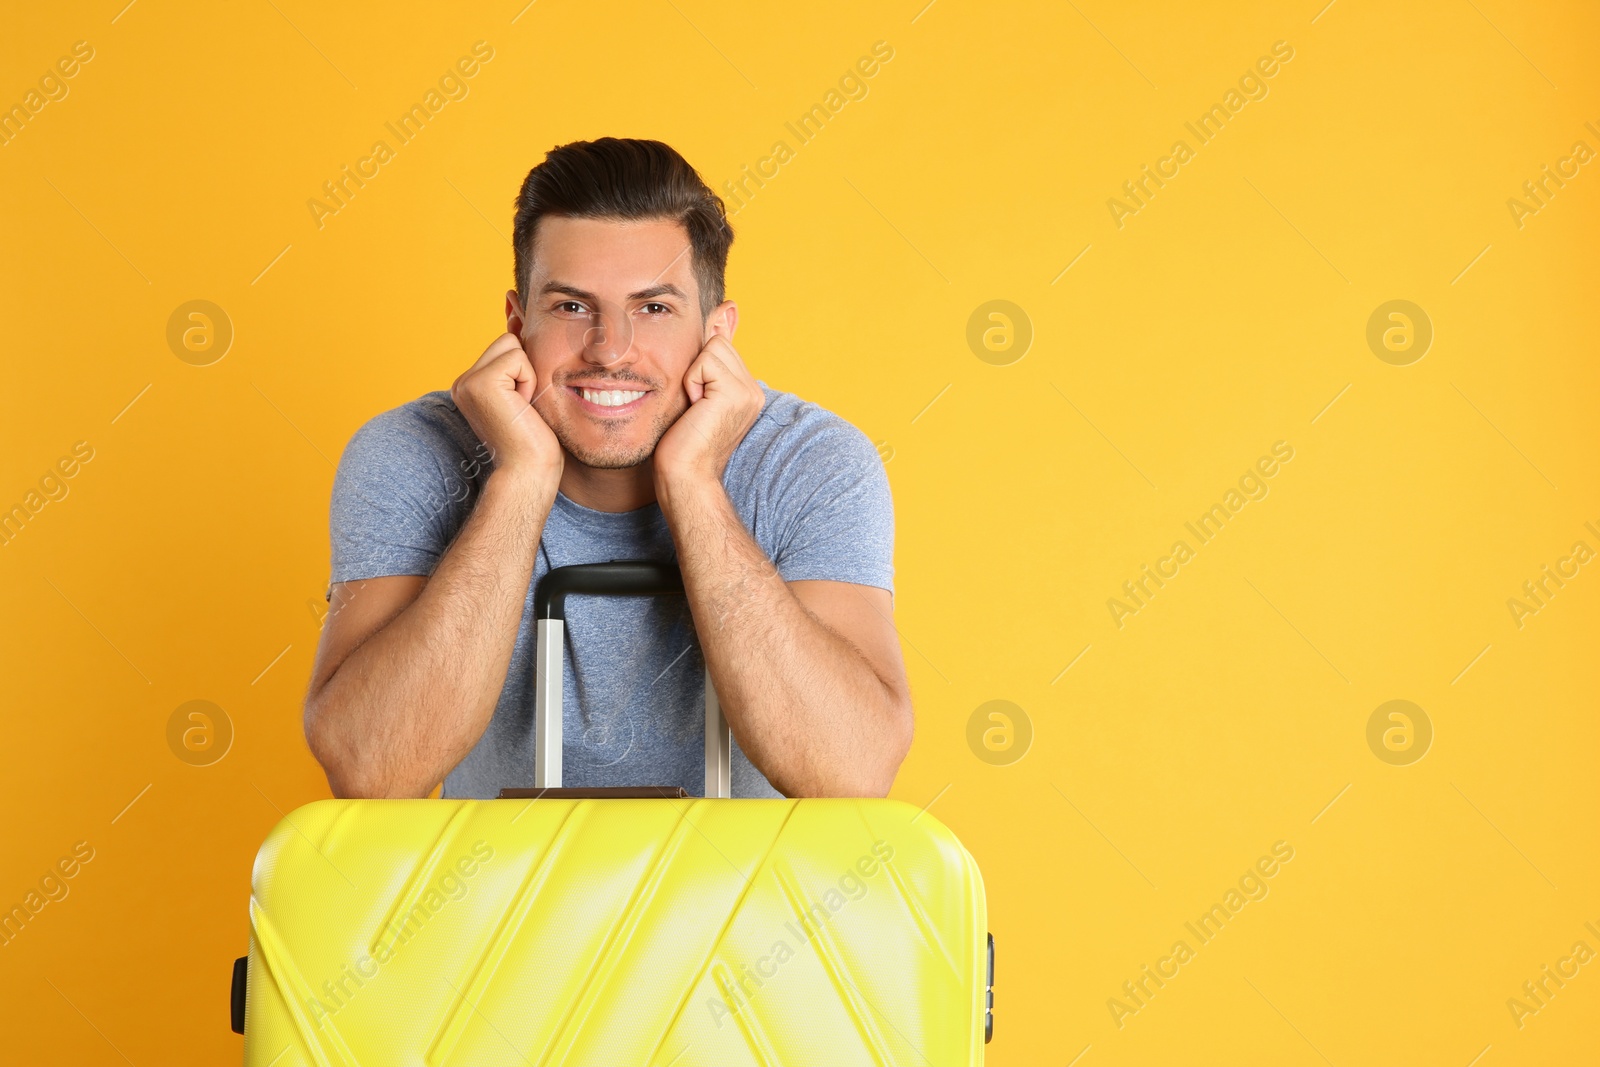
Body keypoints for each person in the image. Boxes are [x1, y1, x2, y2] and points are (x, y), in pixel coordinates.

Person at [302, 137, 912, 800]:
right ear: (516, 322)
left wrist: (693, 484)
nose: (610, 347)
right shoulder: (412, 453)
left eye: (653, 308)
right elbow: (371, 768)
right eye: (571, 306)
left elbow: (851, 772)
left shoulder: (809, 461)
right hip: (498, 899)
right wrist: (521, 478)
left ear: (718, 334)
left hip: (748, 904)